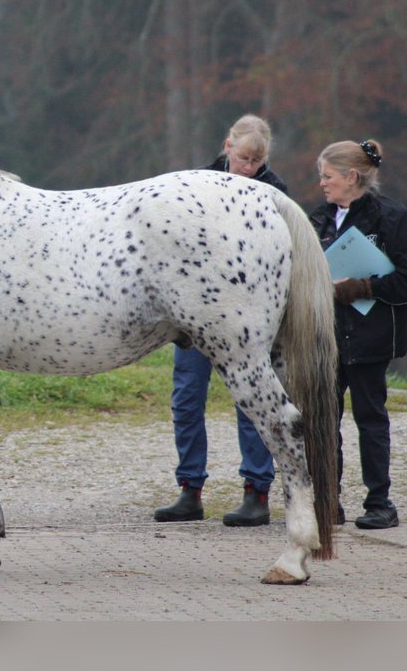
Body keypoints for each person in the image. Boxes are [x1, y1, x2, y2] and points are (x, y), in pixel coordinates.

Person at [153, 114, 287, 527]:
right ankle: (190, 488)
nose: (248, 167)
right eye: (243, 157)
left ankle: (256, 491)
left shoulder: (274, 195)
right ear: (228, 147)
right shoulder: (198, 185)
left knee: (251, 401)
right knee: (186, 399)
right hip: (196, 314)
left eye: (255, 161)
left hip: (242, 315)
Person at [310, 138, 407, 530]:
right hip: (326, 337)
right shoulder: (318, 220)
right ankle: (328, 502)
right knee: (325, 420)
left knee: (370, 418)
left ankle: (380, 502)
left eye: (328, 176)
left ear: (351, 176)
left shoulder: (393, 219)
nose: (322, 184)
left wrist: (364, 288)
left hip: (371, 335)